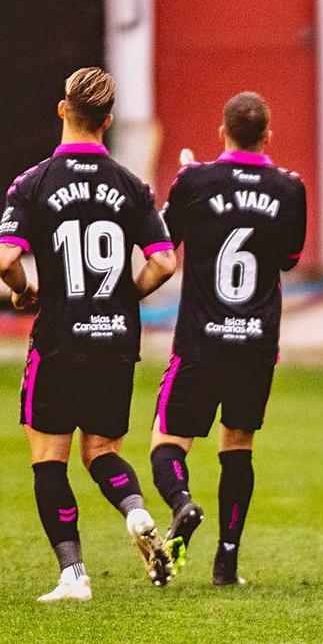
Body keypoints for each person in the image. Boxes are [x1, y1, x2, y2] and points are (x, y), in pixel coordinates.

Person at [0, 67, 178, 601]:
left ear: (62, 110)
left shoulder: (32, 184)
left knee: (49, 457)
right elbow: (164, 263)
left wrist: (24, 288)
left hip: (58, 338)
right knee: (101, 449)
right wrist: (125, 298)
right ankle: (138, 510)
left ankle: (73, 576)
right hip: (115, 337)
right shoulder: (132, 186)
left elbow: (6, 257)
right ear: (108, 120)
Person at [148, 92, 307, 587]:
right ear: (268, 136)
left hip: (201, 338)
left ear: (222, 133)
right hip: (256, 341)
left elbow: (163, 243)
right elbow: (289, 259)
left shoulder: (196, 180)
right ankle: (227, 563)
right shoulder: (290, 188)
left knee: (167, 441)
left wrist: (186, 182)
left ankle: (181, 504)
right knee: (238, 444)